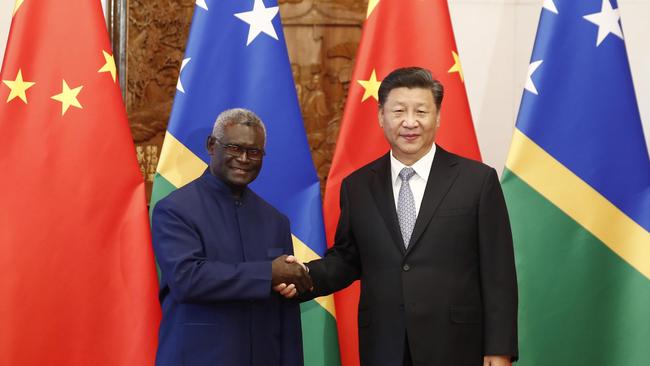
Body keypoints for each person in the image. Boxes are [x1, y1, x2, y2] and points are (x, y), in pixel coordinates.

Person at [279, 67, 518, 365]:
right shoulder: (358, 186)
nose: (409, 122)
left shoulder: (477, 181)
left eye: (421, 111)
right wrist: (303, 277)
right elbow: (348, 259)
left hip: (456, 344)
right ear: (381, 117)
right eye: (399, 111)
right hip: (384, 344)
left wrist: (499, 347)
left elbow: (499, 272)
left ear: (438, 116)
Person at [152, 108, 311, 366]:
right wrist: (269, 273)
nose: (244, 159)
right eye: (235, 148)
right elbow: (187, 279)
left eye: (254, 152)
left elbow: (286, 313)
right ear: (212, 146)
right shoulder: (175, 210)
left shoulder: (275, 220)